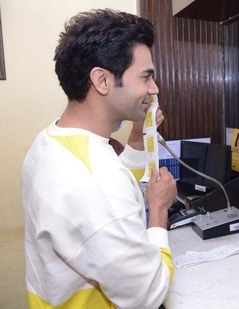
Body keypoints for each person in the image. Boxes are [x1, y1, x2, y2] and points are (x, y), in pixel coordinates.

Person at [21, 9, 176, 309]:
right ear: (102, 80)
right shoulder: (92, 179)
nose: (154, 89)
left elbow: (105, 210)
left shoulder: (52, 142)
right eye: (146, 77)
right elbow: (148, 294)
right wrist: (158, 211)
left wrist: (135, 140)